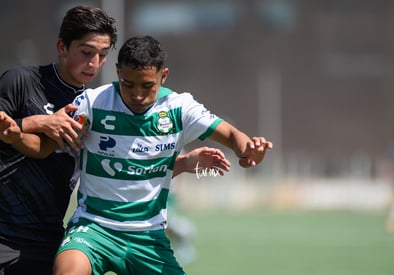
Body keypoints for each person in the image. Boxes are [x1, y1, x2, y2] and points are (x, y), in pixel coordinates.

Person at [0, 6, 230, 275]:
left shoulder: (95, 106)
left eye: (102, 54)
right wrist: (36, 122)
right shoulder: (21, 82)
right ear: (62, 47)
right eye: (86, 53)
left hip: (48, 236)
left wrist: (184, 163)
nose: (94, 63)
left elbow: (125, 169)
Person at [48, 35, 272, 275]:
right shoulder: (92, 103)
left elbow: (232, 135)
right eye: (128, 83)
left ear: (163, 76)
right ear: (117, 72)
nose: (137, 94)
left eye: (147, 86)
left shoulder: (180, 108)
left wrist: (249, 151)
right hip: (93, 228)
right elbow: (47, 141)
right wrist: (21, 130)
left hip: (148, 236)